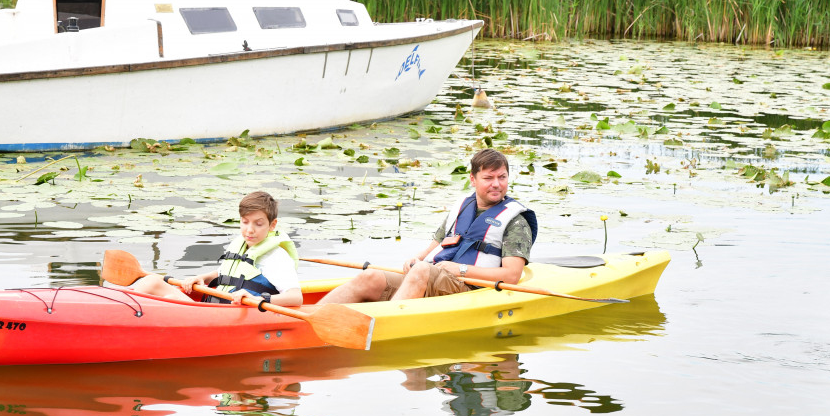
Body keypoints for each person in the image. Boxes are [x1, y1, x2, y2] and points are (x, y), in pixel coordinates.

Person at [317, 148, 536, 304]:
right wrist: (416, 259)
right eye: (489, 178)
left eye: (502, 177)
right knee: (370, 276)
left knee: (422, 270)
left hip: (470, 287)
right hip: (435, 277)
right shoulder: (463, 207)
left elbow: (511, 276)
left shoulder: (516, 221)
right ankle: (310, 319)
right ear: (473, 179)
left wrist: (460, 269)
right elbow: (436, 246)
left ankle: (387, 321)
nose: (497, 184)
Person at [130, 191, 303, 307]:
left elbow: (296, 297)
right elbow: (226, 273)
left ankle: (130, 315)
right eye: (245, 222)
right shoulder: (242, 245)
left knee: (170, 298)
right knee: (151, 281)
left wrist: (258, 299)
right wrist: (201, 277)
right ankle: (125, 309)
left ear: (272, 225)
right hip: (214, 306)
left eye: (258, 224)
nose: (249, 230)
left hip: (234, 313)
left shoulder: (276, 257)